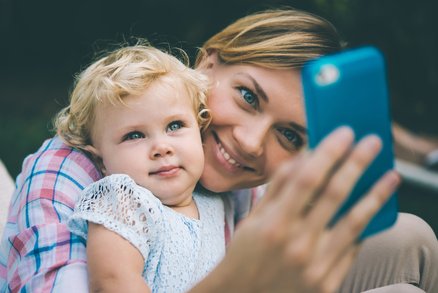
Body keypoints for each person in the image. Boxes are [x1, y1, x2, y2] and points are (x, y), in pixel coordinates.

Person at [1, 8, 437, 293]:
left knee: (413, 236)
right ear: (207, 65)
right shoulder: (73, 174)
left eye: (289, 135)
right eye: (248, 96)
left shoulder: (237, 183)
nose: (250, 142)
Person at [58, 43, 227, 292]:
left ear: (200, 127)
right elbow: (113, 282)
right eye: (135, 135)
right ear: (100, 161)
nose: (161, 147)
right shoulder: (124, 200)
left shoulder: (214, 201)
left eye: (175, 126)